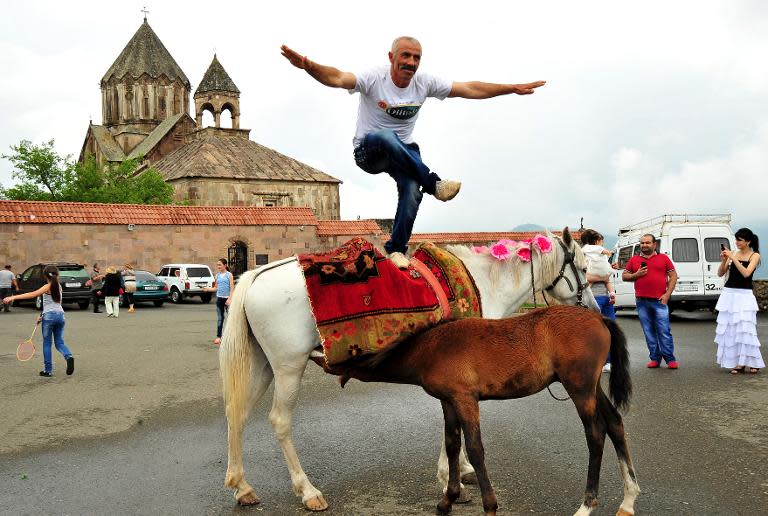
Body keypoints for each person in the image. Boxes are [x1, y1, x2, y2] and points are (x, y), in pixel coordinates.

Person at [281, 38, 545, 269]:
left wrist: (510, 88)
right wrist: (309, 66)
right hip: (369, 151)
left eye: (416, 57)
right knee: (387, 137)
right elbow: (338, 78)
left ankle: (396, 248)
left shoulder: (423, 82)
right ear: (391, 57)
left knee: (411, 190)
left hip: (404, 152)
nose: (411, 62)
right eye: (405, 56)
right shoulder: (374, 77)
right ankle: (434, 183)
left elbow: (469, 89)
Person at [2, 265, 74, 377]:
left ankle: (48, 370)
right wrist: (42, 315)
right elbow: (54, 304)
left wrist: (13, 297)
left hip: (49, 317)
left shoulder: (48, 286)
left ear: (45, 276)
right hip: (60, 316)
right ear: (57, 275)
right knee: (59, 342)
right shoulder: (58, 286)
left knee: (47, 343)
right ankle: (68, 356)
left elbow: (33, 294)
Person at [622, 234, 679, 369]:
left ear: (654, 245)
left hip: (660, 301)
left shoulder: (663, 258)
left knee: (664, 331)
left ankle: (670, 359)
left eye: (647, 243)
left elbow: (673, 275)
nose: (644, 245)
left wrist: (667, 294)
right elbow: (624, 276)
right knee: (648, 331)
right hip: (642, 301)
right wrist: (636, 275)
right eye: (642, 243)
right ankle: (655, 358)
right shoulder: (634, 260)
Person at [715, 228, 764, 374]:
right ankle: (738, 362)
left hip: (744, 294)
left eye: (740, 240)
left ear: (748, 241)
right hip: (729, 293)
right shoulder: (733, 254)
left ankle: (753, 362)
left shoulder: (755, 255)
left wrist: (733, 258)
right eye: (736, 239)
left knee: (746, 329)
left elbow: (746, 273)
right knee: (731, 330)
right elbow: (720, 273)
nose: (737, 242)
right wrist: (725, 260)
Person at [581, 229, 615, 372]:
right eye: (601, 240)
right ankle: (595, 361)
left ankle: (608, 361)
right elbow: (586, 278)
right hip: (593, 297)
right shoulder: (585, 255)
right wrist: (603, 278)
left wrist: (611, 292)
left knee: (610, 329)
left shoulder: (599, 259)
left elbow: (607, 277)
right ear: (595, 241)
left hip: (606, 297)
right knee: (595, 332)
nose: (602, 243)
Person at [204, 258, 235, 346]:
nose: (218, 266)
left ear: (225, 265)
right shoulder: (217, 276)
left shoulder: (229, 275)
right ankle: (219, 337)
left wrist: (230, 299)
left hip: (228, 300)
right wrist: (208, 289)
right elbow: (216, 288)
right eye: (217, 265)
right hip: (219, 299)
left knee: (231, 319)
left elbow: (232, 288)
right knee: (220, 318)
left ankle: (232, 337)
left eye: (220, 265)